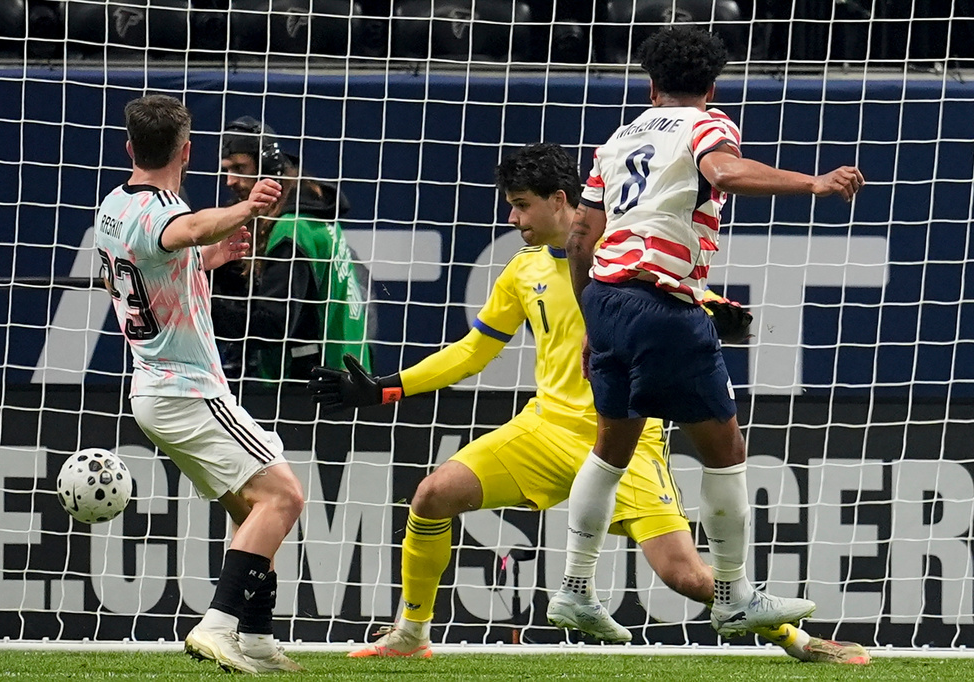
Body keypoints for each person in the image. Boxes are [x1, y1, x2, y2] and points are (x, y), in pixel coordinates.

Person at [309, 143, 868, 664]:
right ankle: (411, 634)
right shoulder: (522, 269)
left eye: (522, 206)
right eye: (511, 207)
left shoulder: (623, 248)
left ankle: (799, 640)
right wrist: (387, 388)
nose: (514, 220)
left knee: (688, 576)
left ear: (560, 201)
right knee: (432, 496)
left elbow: (674, 295)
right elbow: (475, 351)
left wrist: (717, 306)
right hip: (544, 430)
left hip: (626, 441)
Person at [555, 25, 866, 641]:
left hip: (608, 301)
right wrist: (814, 183)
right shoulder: (707, 126)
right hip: (662, 306)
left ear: (650, 84)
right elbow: (723, 173)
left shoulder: (619, 138)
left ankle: (575, 589)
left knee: (611, 447)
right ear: (713, 85)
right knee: (725, 452)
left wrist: (594, 315)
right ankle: (732, 596)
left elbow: (579, 238)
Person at [94, 95, 305, 674]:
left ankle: (258, 638)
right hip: (187, 389)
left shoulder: (113, 205)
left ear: (130, 147)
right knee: (284, 497)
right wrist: (245, 209)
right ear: (188, 151)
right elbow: (182, 228)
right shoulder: (165, 212)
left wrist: (208, 257)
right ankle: (217, 626)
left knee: (252, 512)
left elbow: (160, 259)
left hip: (154, 389)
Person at [211, 115, 372, 382]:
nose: (229, 180)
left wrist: (202, 307)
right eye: (226, 169)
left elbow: (276, 325)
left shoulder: (292, 232)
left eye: (240, 168)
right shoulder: (310, 211)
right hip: (347, 363)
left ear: (267, 170)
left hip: (318, 379)